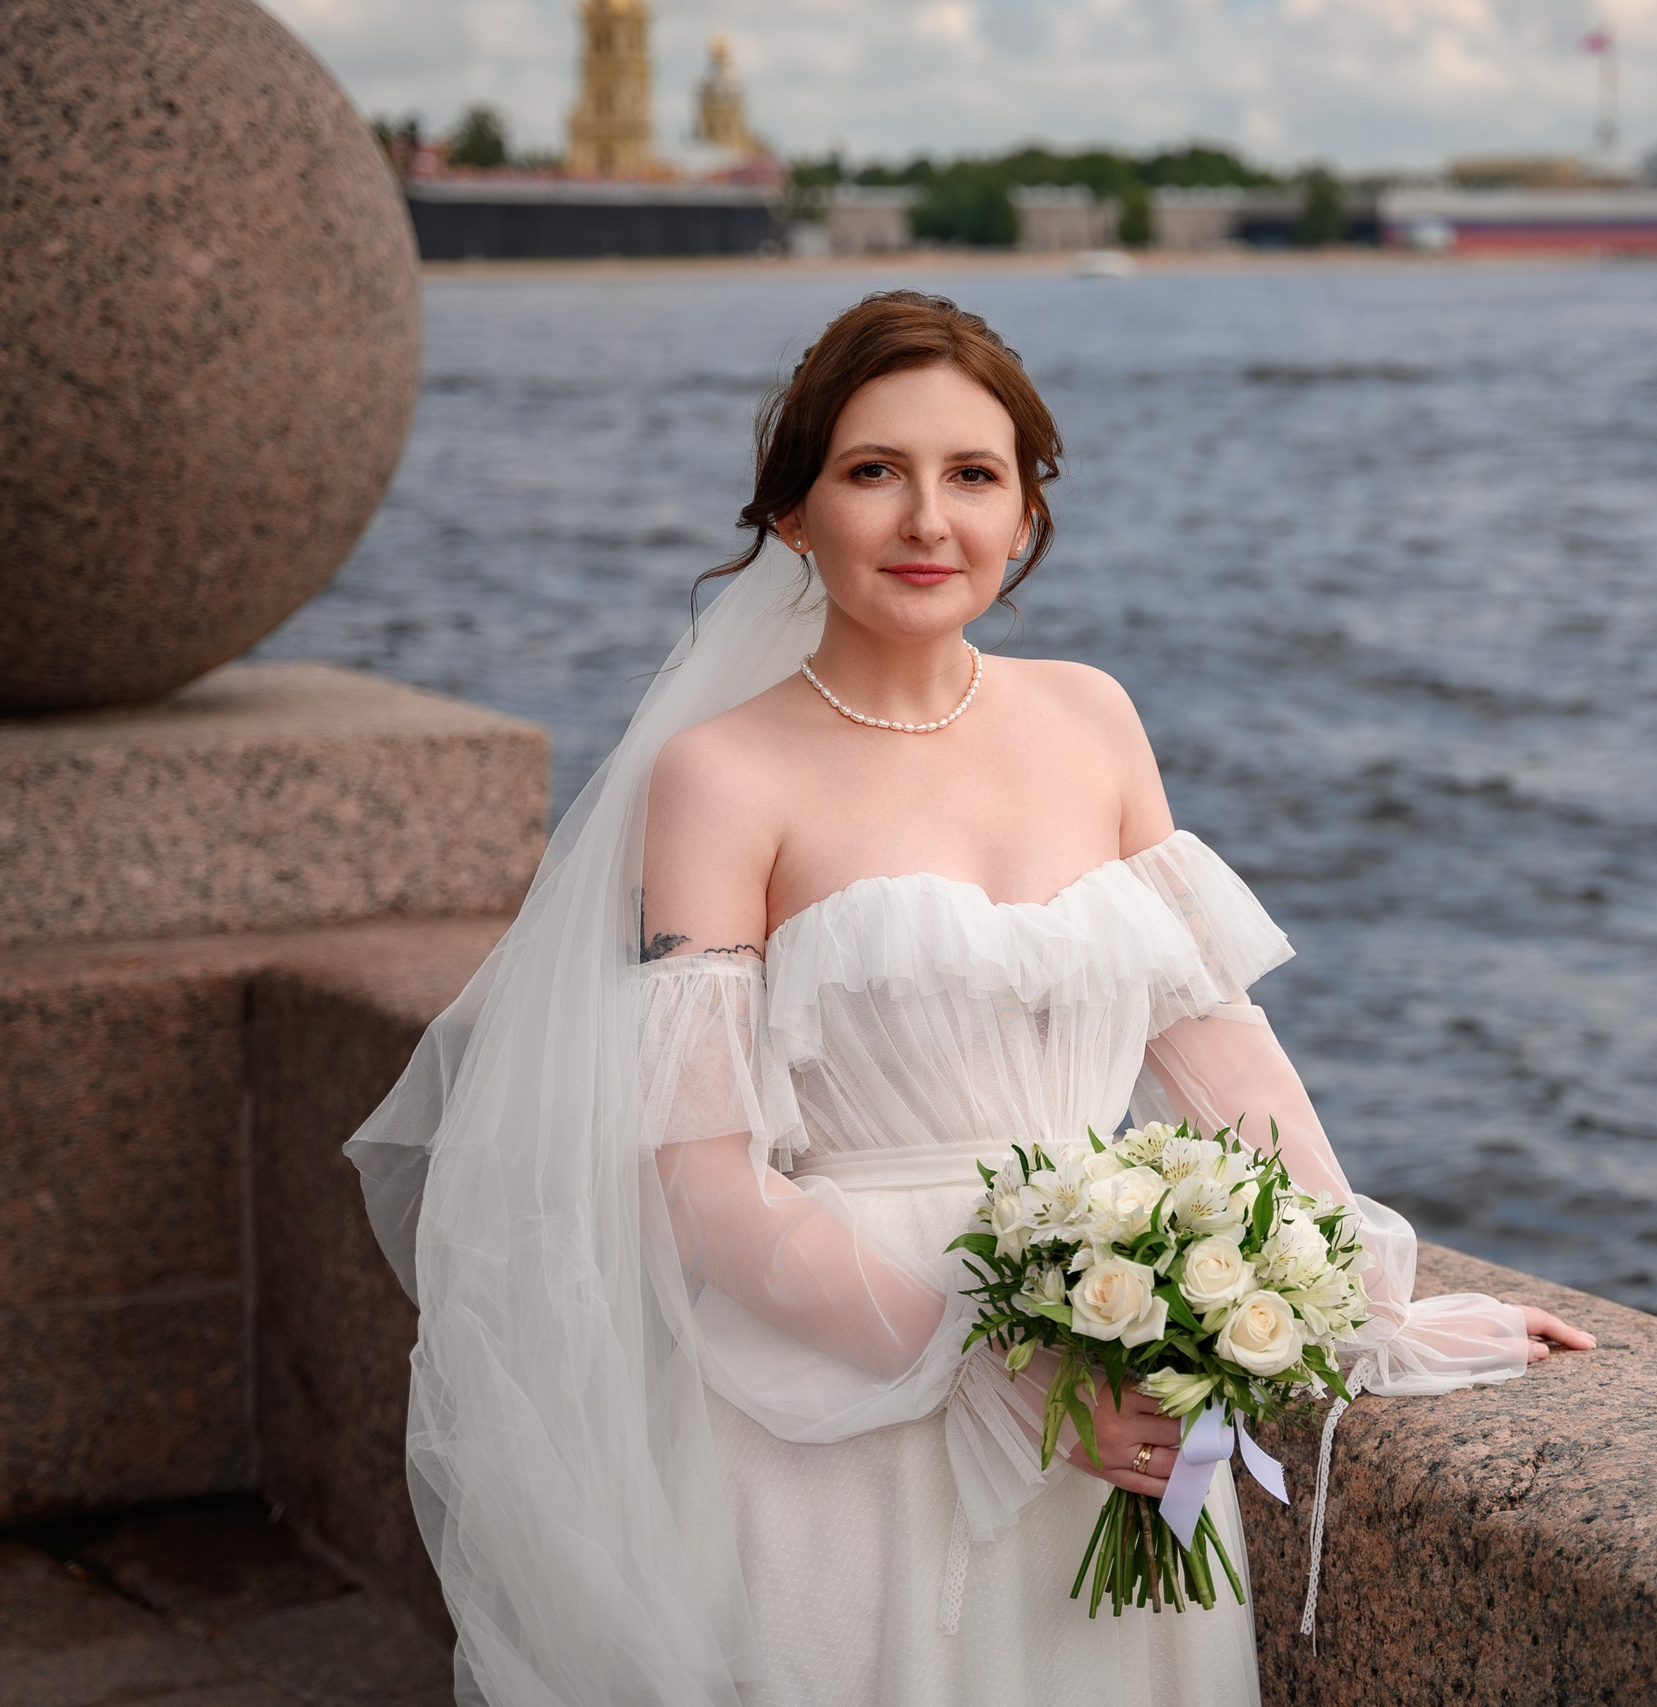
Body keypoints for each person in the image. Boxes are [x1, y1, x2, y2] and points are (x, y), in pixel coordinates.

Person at [348, 290, 1591, 1707]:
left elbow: (1214, 1048)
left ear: (1026, 518)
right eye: (874, 472)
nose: (927, 519)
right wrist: (979, 1363)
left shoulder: (1092, 717)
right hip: (855, 1391)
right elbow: (702, 1180)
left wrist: (1355, 1302)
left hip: (1123, 1337)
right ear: (795, 516)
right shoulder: (721, 776)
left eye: (973, 476)